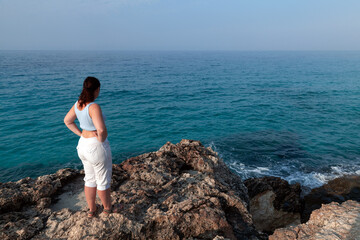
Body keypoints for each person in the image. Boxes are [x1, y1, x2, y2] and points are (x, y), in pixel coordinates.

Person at [64, 76, 114, 217]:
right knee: (103, 181)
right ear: (97, 89)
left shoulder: (78, 104)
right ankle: (108, 208)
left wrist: (81, 134)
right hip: (95, 146)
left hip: (83, 145)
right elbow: (102, 130)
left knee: (90, 178)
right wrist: (101, 140)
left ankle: (92, 210)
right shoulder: (94, 107)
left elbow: (67, 121)